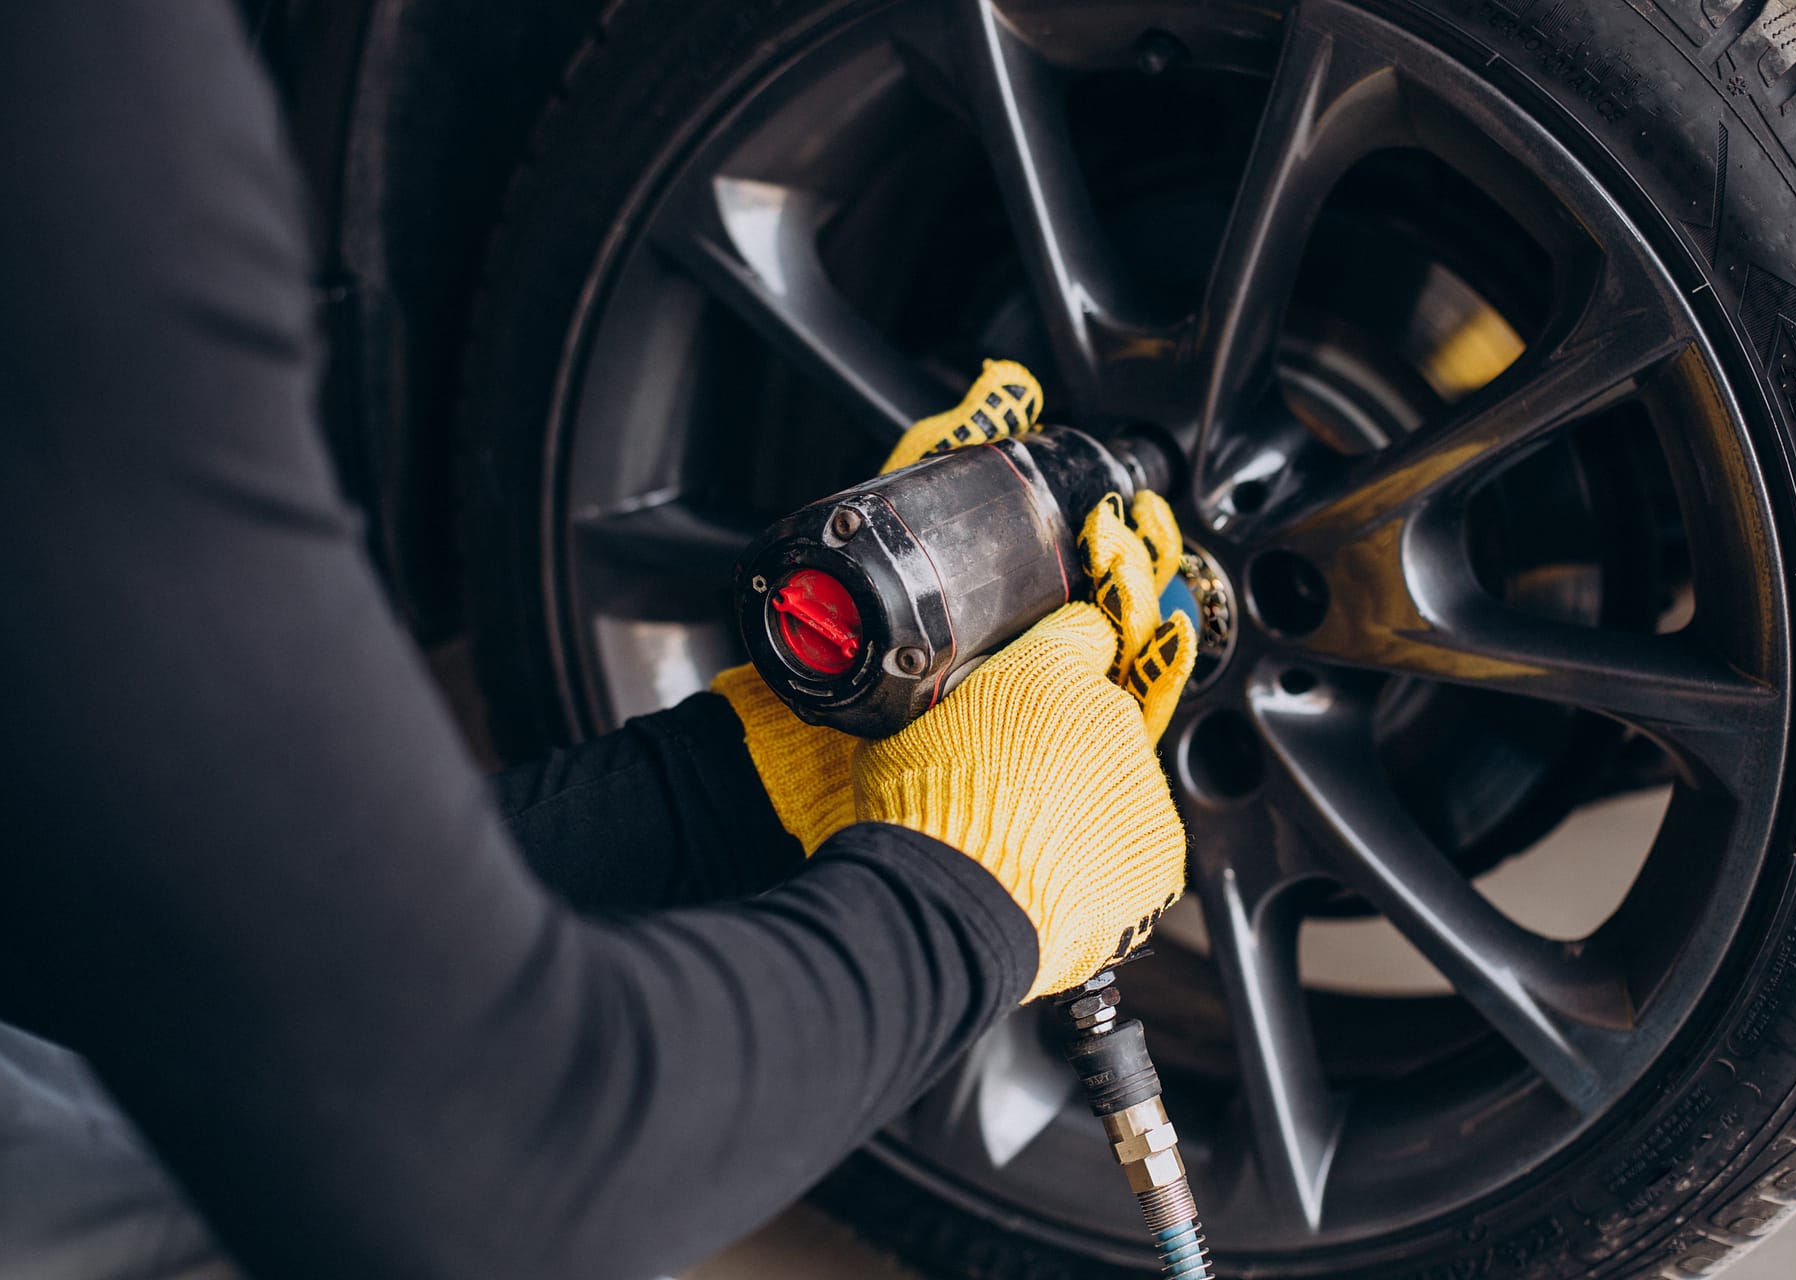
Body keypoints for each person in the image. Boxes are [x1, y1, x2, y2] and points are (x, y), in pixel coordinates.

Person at [0, 4, 1198, 1278]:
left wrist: (750, 781)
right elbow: (482, 1185)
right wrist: (972, 903)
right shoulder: (76, 100)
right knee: (232, 1199)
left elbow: (146, 917)